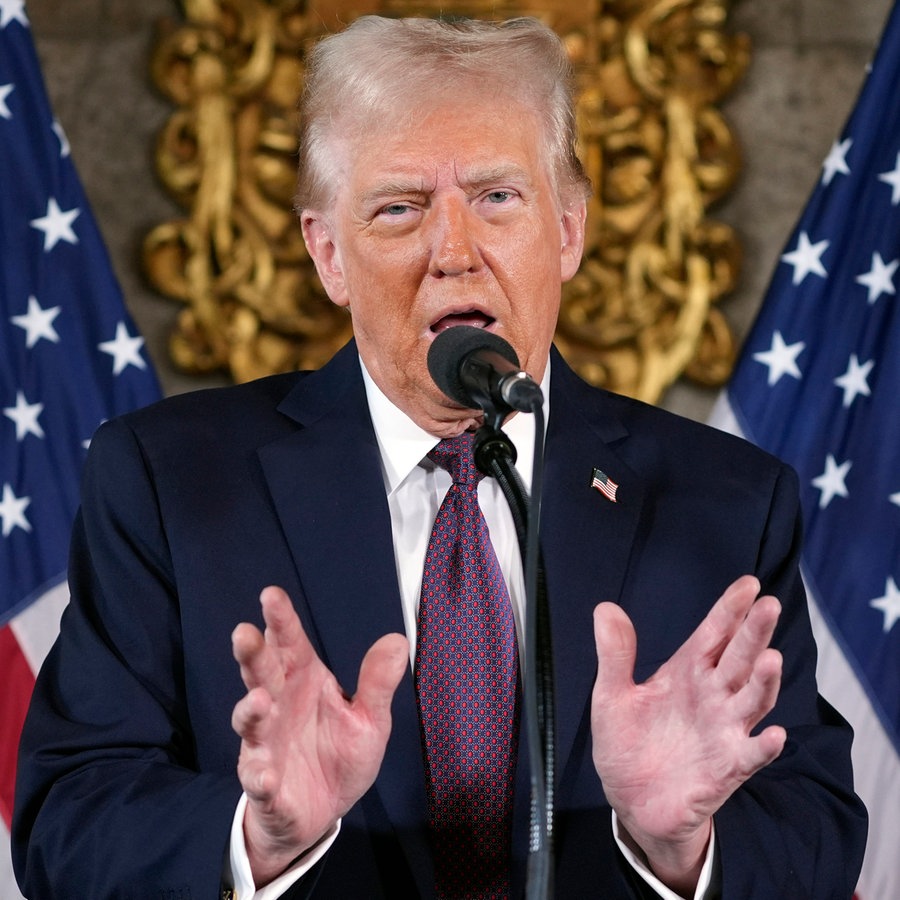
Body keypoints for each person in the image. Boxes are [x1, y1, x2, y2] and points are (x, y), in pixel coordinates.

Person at [13, 14, 866, 900]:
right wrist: (255, 839)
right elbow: (66, 822)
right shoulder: (167, 483)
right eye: (399, 208)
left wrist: (679, 847)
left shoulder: (725, 503)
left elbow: (819, 833)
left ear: (568, 230)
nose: (454, 254)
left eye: (498, 197)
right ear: (328, 253)